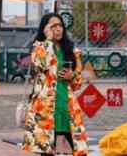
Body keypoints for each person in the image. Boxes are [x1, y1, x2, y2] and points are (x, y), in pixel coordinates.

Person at [21, 14, 88, 156]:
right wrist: (48, 40)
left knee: (71, 149)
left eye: (60, 25)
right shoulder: (40, 47)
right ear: (45, 29)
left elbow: (77, 84)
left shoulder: (72, 51)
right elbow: (40, 64)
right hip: (45, 108)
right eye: (53, 26)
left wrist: (72, 76)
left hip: (67, 107)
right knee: (46, 150)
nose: (58, 29)